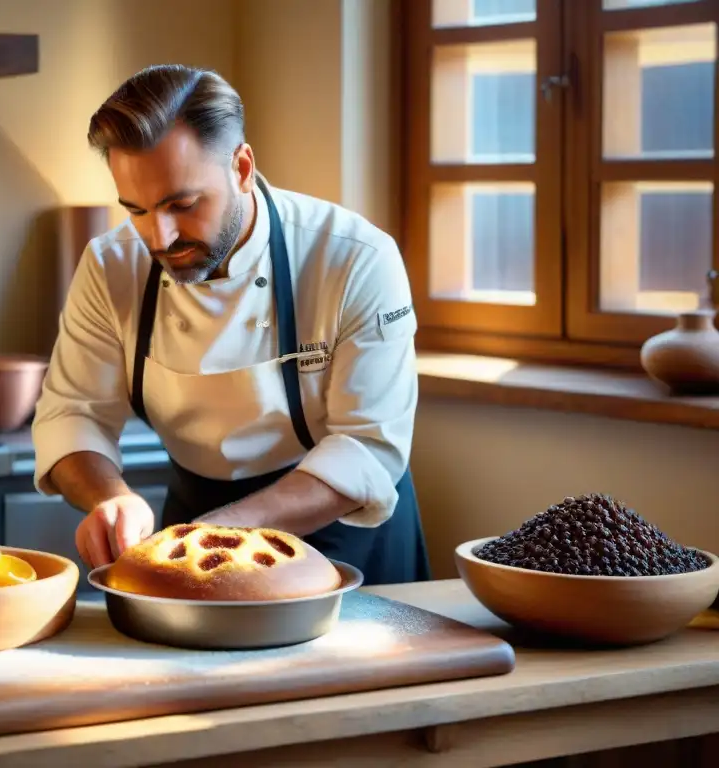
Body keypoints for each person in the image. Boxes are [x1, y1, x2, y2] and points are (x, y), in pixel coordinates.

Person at [31, 64, 430, 585]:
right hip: (198, 523)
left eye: (183, 204)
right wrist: (110, 497)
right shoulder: (111, 265)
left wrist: (219, 532)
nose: (160, 237)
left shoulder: (354, 257)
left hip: (345, 526)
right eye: (137, 210)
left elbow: (368, 446)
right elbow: (72, 413)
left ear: (241, 168)